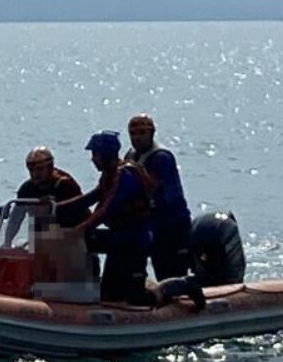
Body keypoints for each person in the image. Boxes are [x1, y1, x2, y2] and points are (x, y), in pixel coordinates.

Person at [59, 130, 156, 305]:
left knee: (134, 297)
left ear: (106, 154)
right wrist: (55, 207)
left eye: (95, 154)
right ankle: (83, 282)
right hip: (118, 238)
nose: (92, 159)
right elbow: (90, 198)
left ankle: (175, 288)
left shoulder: (125, 176)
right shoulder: (108, 175)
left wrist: (79, 230)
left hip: (134, 241)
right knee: (108, 292)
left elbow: (107, 209)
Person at [124, 113, 192, 280]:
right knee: (158, 266)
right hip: (151, 223)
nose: (137, 138)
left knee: (173, 272)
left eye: (142, 133)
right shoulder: (130, 156)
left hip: (172, 223)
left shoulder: (161, 157)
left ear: (152, 133)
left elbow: (152, 187)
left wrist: (136, 170)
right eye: (133, 134)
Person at [153, 211, 246, 311]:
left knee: (201, 275)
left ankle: (180, 286)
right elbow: (236, 271)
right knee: (232, 279)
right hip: (208, 232)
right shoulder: (230, 227)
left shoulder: (221, 224)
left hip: (195, 231)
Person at [16, 146, 88, 227]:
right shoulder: (26, 189)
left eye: (40, 169)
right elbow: (16, 219)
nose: (35, 174)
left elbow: (80, 212)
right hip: (44, 231)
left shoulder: (65, 185)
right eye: (31, 170)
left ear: (50, 167)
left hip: (73, 229)